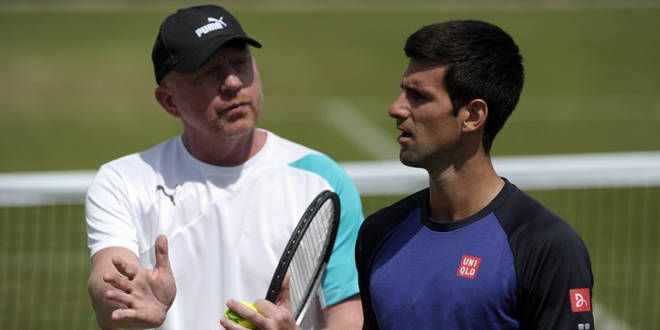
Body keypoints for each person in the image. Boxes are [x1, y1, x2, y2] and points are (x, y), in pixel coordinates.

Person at [85, 4, 363, 330]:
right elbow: (105, 283)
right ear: (169, 101)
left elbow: (348, 314)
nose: (232, 82)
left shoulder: (321, 179)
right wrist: (122, 298)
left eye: (240, 63)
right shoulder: (124, 181)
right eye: (208, 72)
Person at [355, 20, 595, 329]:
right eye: (402, 91)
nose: (396, 108)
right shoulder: (378, 234)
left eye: (418, 96)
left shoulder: (545, 246)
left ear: (473, 115)